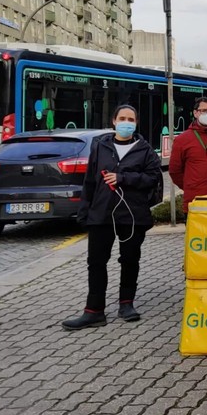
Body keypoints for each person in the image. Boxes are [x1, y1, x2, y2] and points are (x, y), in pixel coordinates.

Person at [63, 105, 163, 330]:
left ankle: (126, 304)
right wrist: (84, 211)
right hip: (102, 212)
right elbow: (89, 182)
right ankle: (94, 310)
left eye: (131, 119)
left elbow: (152, 178)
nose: (127, 122)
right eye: (122, 118)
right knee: (96, 262)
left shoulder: (145, 149)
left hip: (131, 214)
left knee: (129, 260)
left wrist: (123, 178)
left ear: (136, 123)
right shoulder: (101, 146)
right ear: (114, 121)